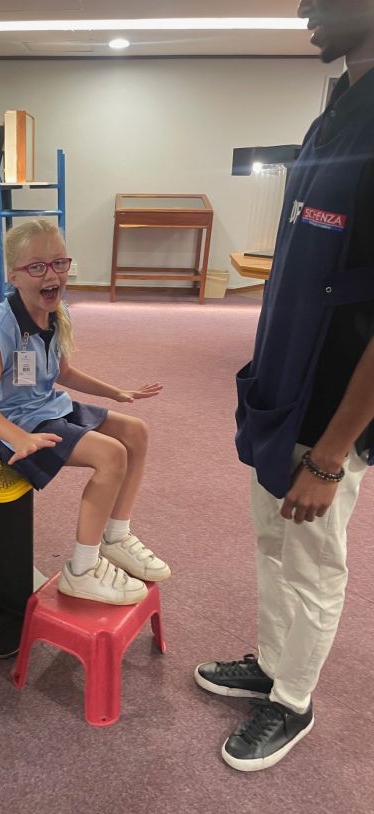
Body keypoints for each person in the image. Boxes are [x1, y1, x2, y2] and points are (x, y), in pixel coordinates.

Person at [195, 0, 374, 771]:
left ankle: (292, 701)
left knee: (311, 560)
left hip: (332, 404)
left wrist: (334, 454)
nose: (304, 5)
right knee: (271, 542)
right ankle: (271, 663)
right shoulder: (338, 108)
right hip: (281, 387)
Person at [0, 219, 170, 606]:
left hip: (48, 408)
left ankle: (116, 534)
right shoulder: (0, 330)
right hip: (15, 429)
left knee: (136, 432)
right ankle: (81, 569)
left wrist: (115, 392)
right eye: (37, 266)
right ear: (13, 275)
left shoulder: (56, 312)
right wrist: (19, 438)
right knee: (112, 456)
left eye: (59, 263)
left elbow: (62, 373)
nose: (52, 275)